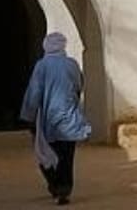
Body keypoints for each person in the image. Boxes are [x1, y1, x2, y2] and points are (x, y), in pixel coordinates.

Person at [20, 32, 92, 205]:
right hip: (70, 118)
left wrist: (28, 116)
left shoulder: (42, 66)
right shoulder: (72, 65)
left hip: (49, 120)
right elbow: (79, 86)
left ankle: (55, 185)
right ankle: (64, 189)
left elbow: (34, 92)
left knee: (47, 155)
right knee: (67, 157)